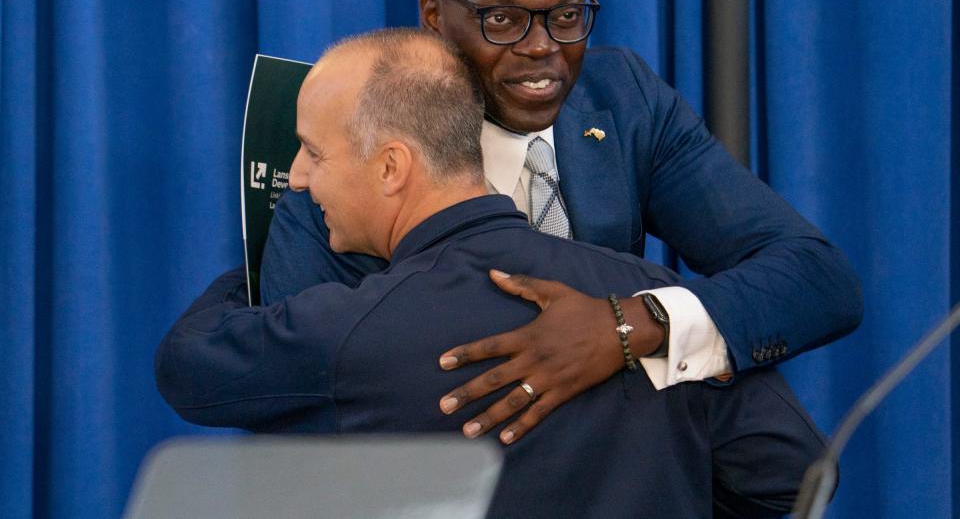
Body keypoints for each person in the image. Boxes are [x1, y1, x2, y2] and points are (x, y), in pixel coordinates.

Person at [258, 0, 863, 444]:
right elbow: (303, 397)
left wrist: (632, 325)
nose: (542, 45)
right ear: (436, 18)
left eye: (566, 16)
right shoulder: (353, 145)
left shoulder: (623, 101)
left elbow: (817, 279)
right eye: (502, 19)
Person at [157, 29, 831, 518]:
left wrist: (260, 237)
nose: (299, 178)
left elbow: (188, 367)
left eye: (311, 155)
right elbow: (794, 475)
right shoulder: (648, 301)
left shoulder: (350, 330)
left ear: (391, 168)